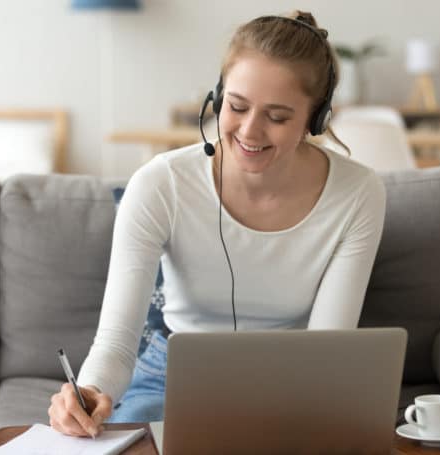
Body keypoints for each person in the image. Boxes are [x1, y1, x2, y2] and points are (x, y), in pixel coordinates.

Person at [48, 10, 387, 438]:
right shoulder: (161, 184)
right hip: (170, 376)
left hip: (294, 383)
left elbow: (326, 351)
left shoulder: (358, 193)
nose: (250, 131)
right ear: (219, 96)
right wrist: (90, 392)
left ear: (315, 119)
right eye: (237, 106)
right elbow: (116, 342)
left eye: (277, 117)